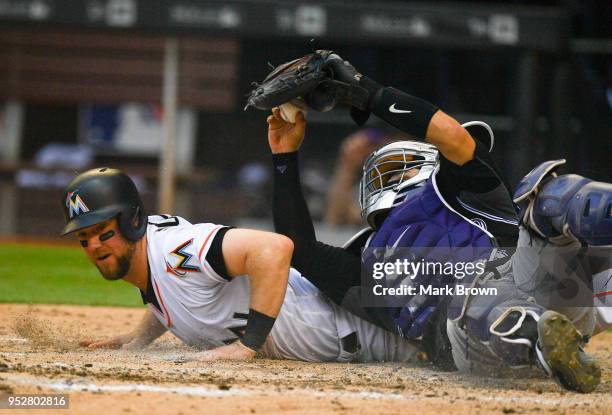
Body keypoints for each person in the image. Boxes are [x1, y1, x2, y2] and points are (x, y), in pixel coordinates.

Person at [265, 51, 603, 391]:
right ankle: (545, 342)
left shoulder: (462, 193)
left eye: (405, 163)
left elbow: (452, 136)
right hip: (471, 339)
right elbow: (299, 249)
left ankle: (548, 336)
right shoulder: (366, 261)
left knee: (552, 195)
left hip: (539, 283)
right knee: (473, 296)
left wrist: (365, 91)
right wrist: (284, 154)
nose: (400, 170)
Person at [62, 167, 419, 363]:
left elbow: (274, 248)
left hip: (377, 335)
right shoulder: (152, 257)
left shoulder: (174, 251)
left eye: (103, 233)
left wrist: (247, 346)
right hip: (344, 331)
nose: (94, 246)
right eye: (84, 238)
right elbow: (173, 291)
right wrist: (137, 339)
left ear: (132, 222)